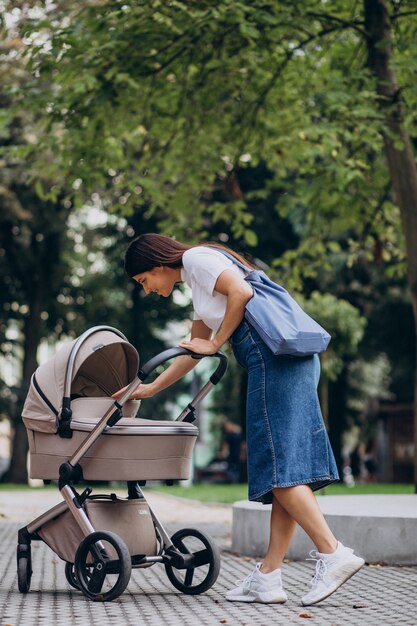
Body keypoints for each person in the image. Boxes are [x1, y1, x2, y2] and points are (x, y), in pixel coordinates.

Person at [114, 233, 364, 606]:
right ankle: (268, 578)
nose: (147, 289)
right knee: (287, 471)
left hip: (273, 361)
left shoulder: (197, 259)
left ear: (158, 265)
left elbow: (241, 295)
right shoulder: (199, 287)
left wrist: (216, 343)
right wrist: (149, 389)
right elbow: (191, 352)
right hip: (287, 361)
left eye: (143, 281)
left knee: (279, 468)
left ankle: (333, 553)